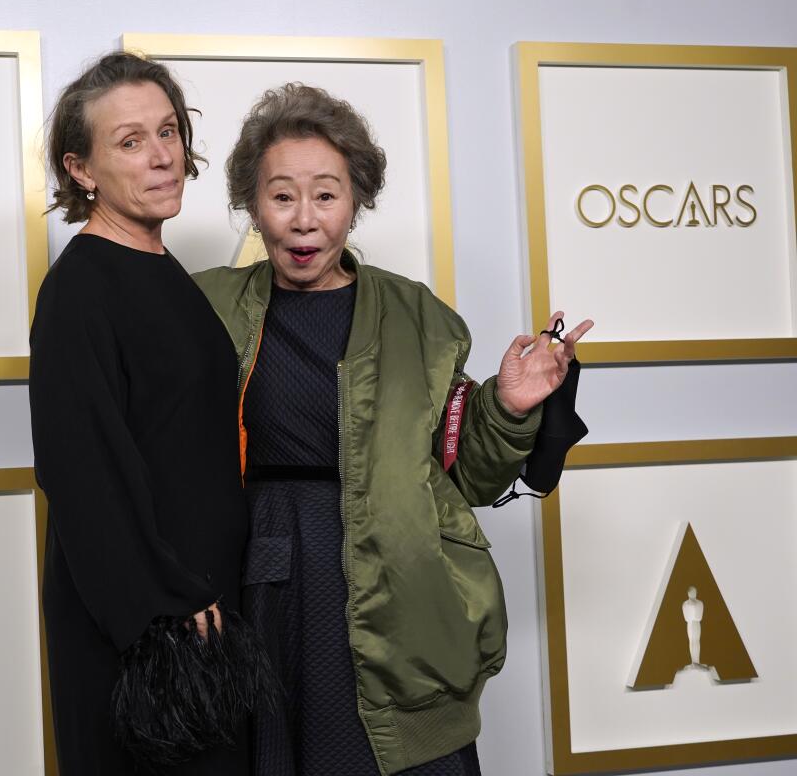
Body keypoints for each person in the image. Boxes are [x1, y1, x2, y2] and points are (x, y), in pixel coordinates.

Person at [194, 83, 593, 776]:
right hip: (270, 583)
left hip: (399, 581)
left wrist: (510, 405)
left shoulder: (416, 316)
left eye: (326, 194)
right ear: (253, 205)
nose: (303, 219)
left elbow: (468, 474)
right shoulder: (207, 307)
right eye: (282, 196)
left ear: (356, 201)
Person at [28, 52, 270, 776]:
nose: (163, 156)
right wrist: (165, 600)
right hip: (144, 626)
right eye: (131, 142)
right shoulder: (79, 291)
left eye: (168, 132)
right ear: (81, 169)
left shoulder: (163, 272)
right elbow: (81, 471)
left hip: (200, 606)